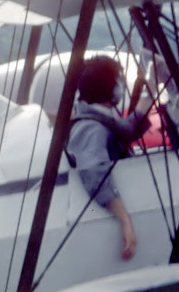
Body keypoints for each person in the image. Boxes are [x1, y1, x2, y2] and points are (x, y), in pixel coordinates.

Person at [65, 56, 151, 260]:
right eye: (119, 80)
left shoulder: (98, 117)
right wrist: (125, 220)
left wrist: (149, 94)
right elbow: (93, 171)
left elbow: (124, 130)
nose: (121, 85)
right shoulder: (91, 127)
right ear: (110, 88)